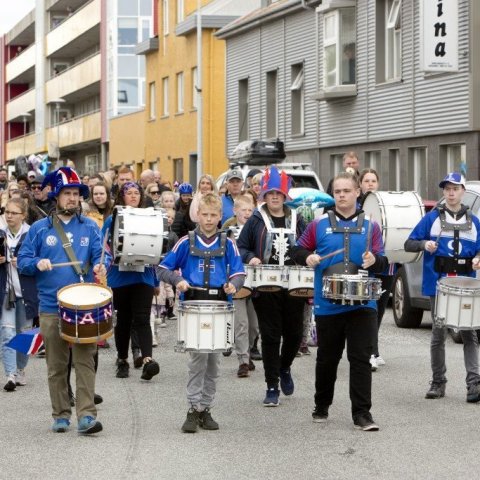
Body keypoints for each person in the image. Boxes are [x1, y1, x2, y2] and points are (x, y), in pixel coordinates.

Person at [291, 172, 387, 431]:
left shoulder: (371, 226)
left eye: (347, 190)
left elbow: (384, 262)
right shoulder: (318, 224)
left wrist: (373, 261)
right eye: (337, 191)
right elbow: (296, 250)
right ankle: (321, 405)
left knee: (360, 359)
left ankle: (362, 414)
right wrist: (307, 257)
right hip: (328, 303)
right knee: (327, 358)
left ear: (358, 192)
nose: (342, 195)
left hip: (362, 304)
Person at [17, 167, 110, 434]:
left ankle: (86, 416)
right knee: (56, 365)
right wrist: (37, 262)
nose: (72, 198)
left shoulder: (91, 227)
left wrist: (100, 268)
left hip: (83, 306)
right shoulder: (38, 229)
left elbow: (100, 258)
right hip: (50, 305)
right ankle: (60, 414)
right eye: (67, 193)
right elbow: (22, 261)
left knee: (85, 361)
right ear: (56, 197)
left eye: (76, 194)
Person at [158, 193, 245, 432]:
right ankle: (193, 408)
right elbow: (163, 268)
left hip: (219, 307)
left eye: (213, 215)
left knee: (214, 364)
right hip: (194, 307)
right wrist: (178, 280)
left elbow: (239, 272)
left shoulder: (228, 242)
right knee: (197, 361)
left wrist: (233, 285)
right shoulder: (186, 242)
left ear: (220, 217)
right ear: (198, 215)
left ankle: (206, 408)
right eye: (204, 214)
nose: (208, 219)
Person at [405, 172, 480, 403]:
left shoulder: (475, 222)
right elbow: (409, 243)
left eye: (455, 188)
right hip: (438, 285)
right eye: (447, 188)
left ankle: (474, 384)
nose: (450, 192)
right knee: (438, 335)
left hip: (465, 285)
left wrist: (478, 257)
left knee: (469, 334)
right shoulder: (431, 218)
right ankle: (438, 382)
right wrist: (424, 244)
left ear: (463, 192)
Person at [237, 165, 306, 406]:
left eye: (279, 192)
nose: (274, 196)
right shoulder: (256, 219)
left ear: (285, 195)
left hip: (294, 286)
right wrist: (250, 258)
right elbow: (241, 247)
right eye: (270, 193)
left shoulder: (298, 218)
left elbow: (308, 245)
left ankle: (284, 366)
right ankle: (272, 385)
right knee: (270, 335)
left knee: (296, 334)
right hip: (265, 286)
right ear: (264, 195)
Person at [102, 181, 160, 381]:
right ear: (122, 197)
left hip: (143, 275)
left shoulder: (150, 217)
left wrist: (157, 282)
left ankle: (147, 360)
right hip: (119, 277)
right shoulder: (112, 219)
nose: (134, 196)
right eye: (129, 193)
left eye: (137, 193)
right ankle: (122, 359)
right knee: (124, 319)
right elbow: (104, 248)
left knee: (143, 318)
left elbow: (156, 246)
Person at [0, 198, 38, 391]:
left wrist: (24, 262)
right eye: (6, 211)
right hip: (5, 291)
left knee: (24, 333)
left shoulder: (32, 233)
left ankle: (21, 368)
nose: (9, 216)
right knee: (6, 332)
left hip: (26, 291)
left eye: (13, 213)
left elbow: (41, 261)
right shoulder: (0, 232)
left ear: (23, 215)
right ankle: (10, 374)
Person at [359, 168, 394, 371]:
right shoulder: (357, 207)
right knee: (368, 309)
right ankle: (369, 350)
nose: (370, 184)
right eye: (366, 180)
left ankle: (374, 348)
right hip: (366, 265)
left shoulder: (384, 206)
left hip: (386, 266)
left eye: (373, 180)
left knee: (379, 309)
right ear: (360, 184)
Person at [222, 195, 259, 377]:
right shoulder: (228, 230)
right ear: (235, 211)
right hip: (236, 282)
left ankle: (249, 349)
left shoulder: (256, 229)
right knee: (241, 323)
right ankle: (243, 361)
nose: (247, 213)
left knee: (254, 325)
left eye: (250, 210)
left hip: (255, 281)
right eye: (243, 210)